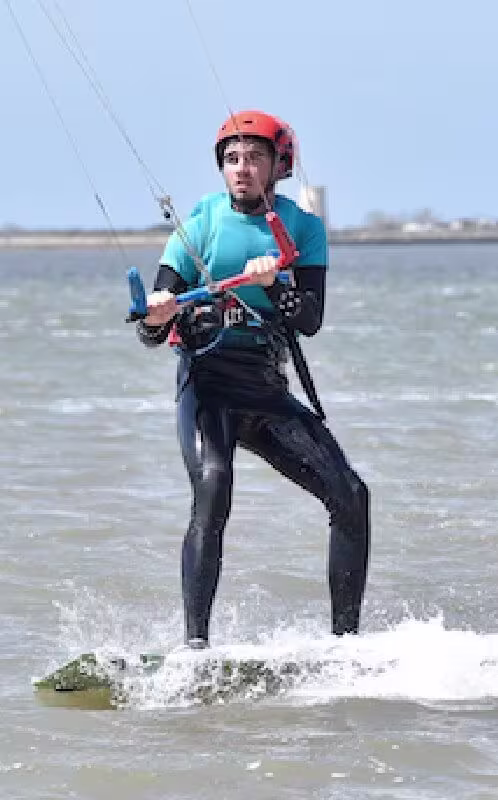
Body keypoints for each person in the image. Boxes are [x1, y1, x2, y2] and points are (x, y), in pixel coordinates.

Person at [136, 110, 370, 649]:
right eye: (233, 159)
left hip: (265, 390)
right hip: (207, 388)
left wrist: (280, 286)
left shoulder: (303, 230)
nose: (242, 168)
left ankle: (346, 646)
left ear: (278, 166)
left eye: (255, 158)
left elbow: (309, 319)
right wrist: (157, 313)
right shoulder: (199, 224)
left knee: (352, 496)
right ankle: (195, 646)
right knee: (214, 488)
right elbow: (151, 329)